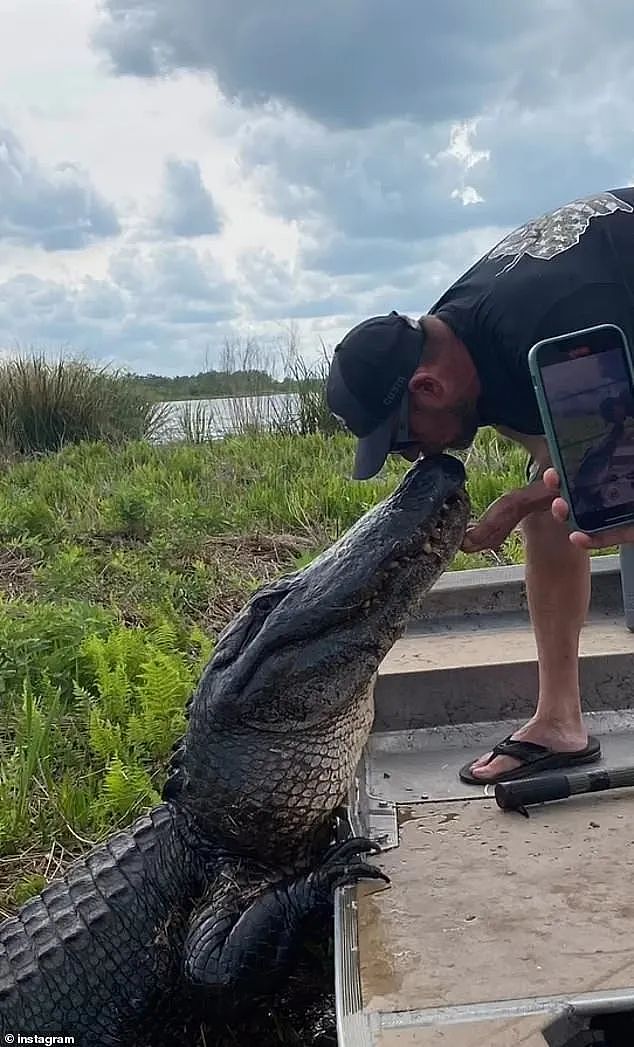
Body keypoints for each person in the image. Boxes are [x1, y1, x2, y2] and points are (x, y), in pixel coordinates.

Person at [326, 187, 634, 784]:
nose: (419, 455)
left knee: (605, 502)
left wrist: (515, 505)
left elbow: (616, 458)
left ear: (428, 388)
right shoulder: (458, 334)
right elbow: (562, 456)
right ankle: (560, 723)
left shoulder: (551, 326)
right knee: (557, 514)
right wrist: (526, 504)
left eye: (405, 441)